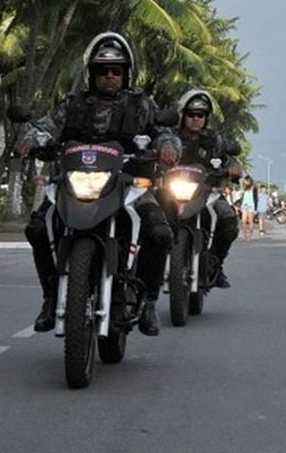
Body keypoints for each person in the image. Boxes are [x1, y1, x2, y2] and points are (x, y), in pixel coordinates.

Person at [18, 32, 173, 336]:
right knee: (37, 227)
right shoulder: (73, 104)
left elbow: (165, 131)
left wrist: (168, 145)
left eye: (116, 70)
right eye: (103, 70)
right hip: (74, 181)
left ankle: (150, 302)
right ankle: (50, 298)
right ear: (92, 73)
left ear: (126, 73)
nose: (110, 76)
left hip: (130, 185)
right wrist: (30, 139)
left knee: (159, 232)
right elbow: (45, 127)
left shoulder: (141, 104)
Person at [157, 89, 242, 288]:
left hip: (206, 193)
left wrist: (233, 168)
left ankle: (216, 264)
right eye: (191, 114)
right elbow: (155, 152)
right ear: (183, 115)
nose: (195, 119)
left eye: (200, 115)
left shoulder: (215, 140)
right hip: (171, 193)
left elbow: (228, 160)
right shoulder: (170, 137)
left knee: (228, 219)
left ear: (206, 118)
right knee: (150, 222)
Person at [238, 176, 257, 241]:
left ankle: (250, 236)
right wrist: (240, 205)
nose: (245, 182)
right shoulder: (244, 188)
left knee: (250, 222)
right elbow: (243, 198)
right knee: (243, 221)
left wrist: (255, 209)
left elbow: (256, 199)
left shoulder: (254, 188)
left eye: (246, 181)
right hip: (244, 206)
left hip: (251, 206)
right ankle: (244, 235)